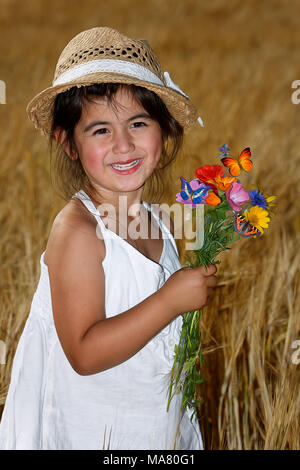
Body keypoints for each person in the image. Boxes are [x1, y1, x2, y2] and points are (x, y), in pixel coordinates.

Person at [0, 26, 217, 450]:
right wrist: (171, 299)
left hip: (153, 428)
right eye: (100, 130)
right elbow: (84, 352)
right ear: (69, 144)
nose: (124, 144)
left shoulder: (160, 221)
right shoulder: (78, 231)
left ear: (165, 128)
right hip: (92, 432)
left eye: (138, 123)